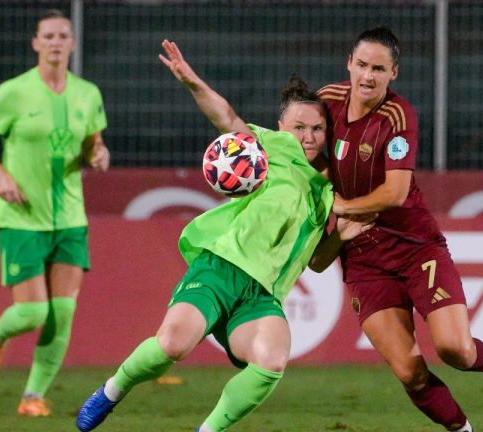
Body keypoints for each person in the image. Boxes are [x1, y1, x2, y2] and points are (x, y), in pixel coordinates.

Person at [75, 39, 373, 432]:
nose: (308, 136)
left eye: (318, 129)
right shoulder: (273, 149)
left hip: (263, 295)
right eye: (299, 127)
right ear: (282, 127)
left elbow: (316, 263)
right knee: (172, 346)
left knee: (271, 361)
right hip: (221, 268)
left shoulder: (330, 192)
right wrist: (192, 81)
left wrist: (341, 236)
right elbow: (227, 118)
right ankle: (113, 390)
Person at [315, 26, 483, 432]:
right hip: (364, 262)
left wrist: (339, 205)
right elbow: (296, 139)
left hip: (415, 248)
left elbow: (394, 194)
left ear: (393, 73)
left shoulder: (398, 116)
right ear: (348, 63)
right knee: (410, 372)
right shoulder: (325, 102)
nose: (367, 76)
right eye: (361, 65)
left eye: (379, 68)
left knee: (454, 349)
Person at [0, 9, 110, 417]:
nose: (55, 42)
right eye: (48, 35)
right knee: (32, 312)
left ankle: (33, 396)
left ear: (72, 43)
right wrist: (1, 177)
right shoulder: (13, 91)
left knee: (61, 314)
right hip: (20, 215)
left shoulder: (88, 94)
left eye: (63, 35)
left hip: (70, 217)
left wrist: (98, 156)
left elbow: (91, 148)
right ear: (35, 43)